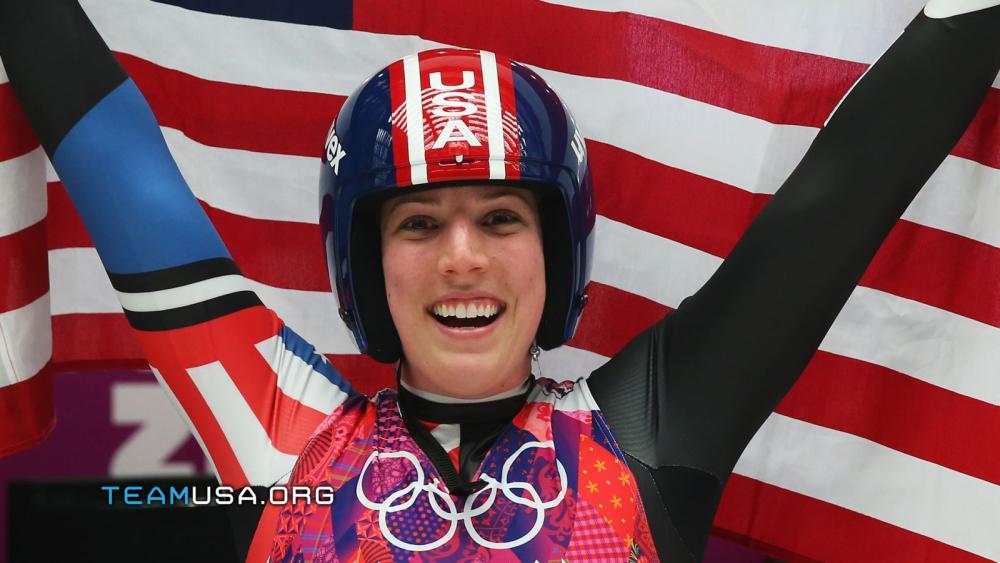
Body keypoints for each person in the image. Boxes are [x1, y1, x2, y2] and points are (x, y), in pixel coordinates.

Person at [2, 0, 999, 561]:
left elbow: (835, 209)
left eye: (503, 218)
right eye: (420, 221)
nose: (463, 256)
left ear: (559, 252)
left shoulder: (645, 438)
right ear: (363, 261)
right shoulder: (281, 439)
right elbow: (113, 159)